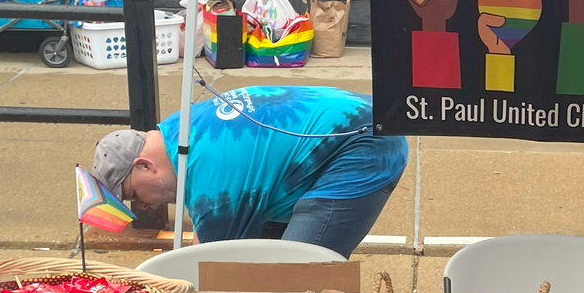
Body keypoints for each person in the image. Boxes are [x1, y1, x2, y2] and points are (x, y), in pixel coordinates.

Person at [93, 85, 407, 253]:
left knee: (298, 270)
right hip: (350, 122)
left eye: (134, 194)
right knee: (264, 259)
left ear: (144, 165)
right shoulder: (178, 126)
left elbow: (207, 263)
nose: (145, 205)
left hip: (364, 145)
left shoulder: (213, 188)